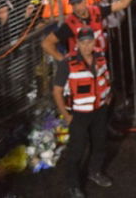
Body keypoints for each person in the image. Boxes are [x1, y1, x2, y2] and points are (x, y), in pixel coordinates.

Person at [53, 26, 112, 197]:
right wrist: (66, 115)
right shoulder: (67, 63)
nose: (87, 46)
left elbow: (105, 78)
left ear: (94, 42)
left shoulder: (100, 58)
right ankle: (74, 186)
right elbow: (56, 91)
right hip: (79, 114)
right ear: (77, 43)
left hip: (99, 110)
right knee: (76, 151)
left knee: (100, 144)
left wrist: (107, 98)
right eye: (83, 43)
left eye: (89, 42)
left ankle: (95, 172)